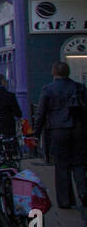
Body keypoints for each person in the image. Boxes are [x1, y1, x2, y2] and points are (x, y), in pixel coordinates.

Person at [31, 62, 86, 211]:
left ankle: (65, 200)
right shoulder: (79, 87)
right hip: (78, 130)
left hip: (58, 131)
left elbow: (40, 113)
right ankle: (84, 194)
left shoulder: (48, 89)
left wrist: (36, 133)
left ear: (54, 72)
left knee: (62, 166)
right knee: (79, 164)